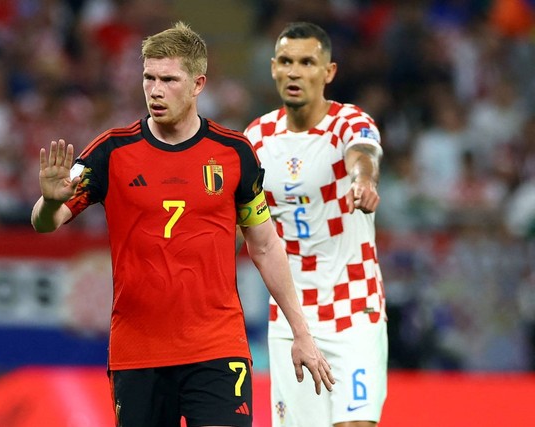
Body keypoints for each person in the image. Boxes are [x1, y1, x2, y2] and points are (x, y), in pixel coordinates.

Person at [31, 21, 334, 427]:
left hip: (216, 347)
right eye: (148, 78)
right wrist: (50, 203)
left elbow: (264, 245)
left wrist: (302, 332)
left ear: (197, 84)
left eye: (169, 79)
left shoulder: (234, 153)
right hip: (138, 352)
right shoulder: (111, 152)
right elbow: (46, 222)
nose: (155, 90)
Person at [244, 22, 387, 427]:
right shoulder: (256, 138)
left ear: (329, 72)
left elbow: (363, 153)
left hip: (354, 307)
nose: (294, 72)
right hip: (292, 315)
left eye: (307, 62)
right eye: (286, 62)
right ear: (273, 68)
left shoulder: (349, 122)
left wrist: (363, 180)